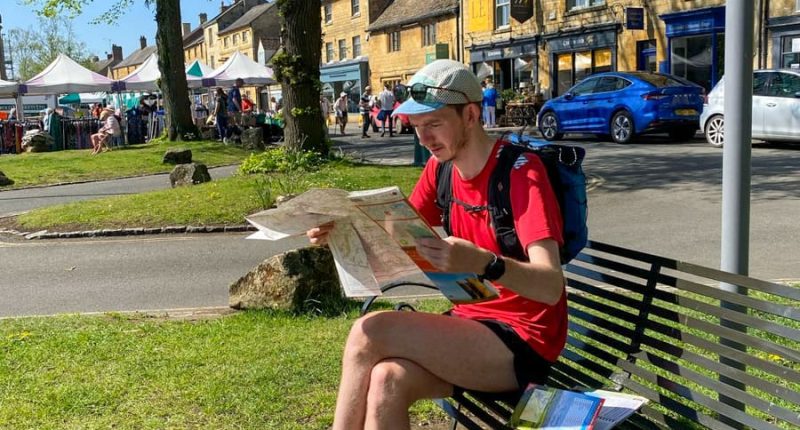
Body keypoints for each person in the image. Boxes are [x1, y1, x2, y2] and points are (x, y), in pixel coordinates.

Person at [306, 59, 567, 429]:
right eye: (416, 126)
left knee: (369, 332)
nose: (423, 138)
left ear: (471, 115)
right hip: (472, 320)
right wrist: (338, 231)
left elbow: (550, 286)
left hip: (522, 342)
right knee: (387, 380)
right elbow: (395, 230)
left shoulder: (521, 174)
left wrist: (485, 263)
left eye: (434, 124)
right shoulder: (441, 167)